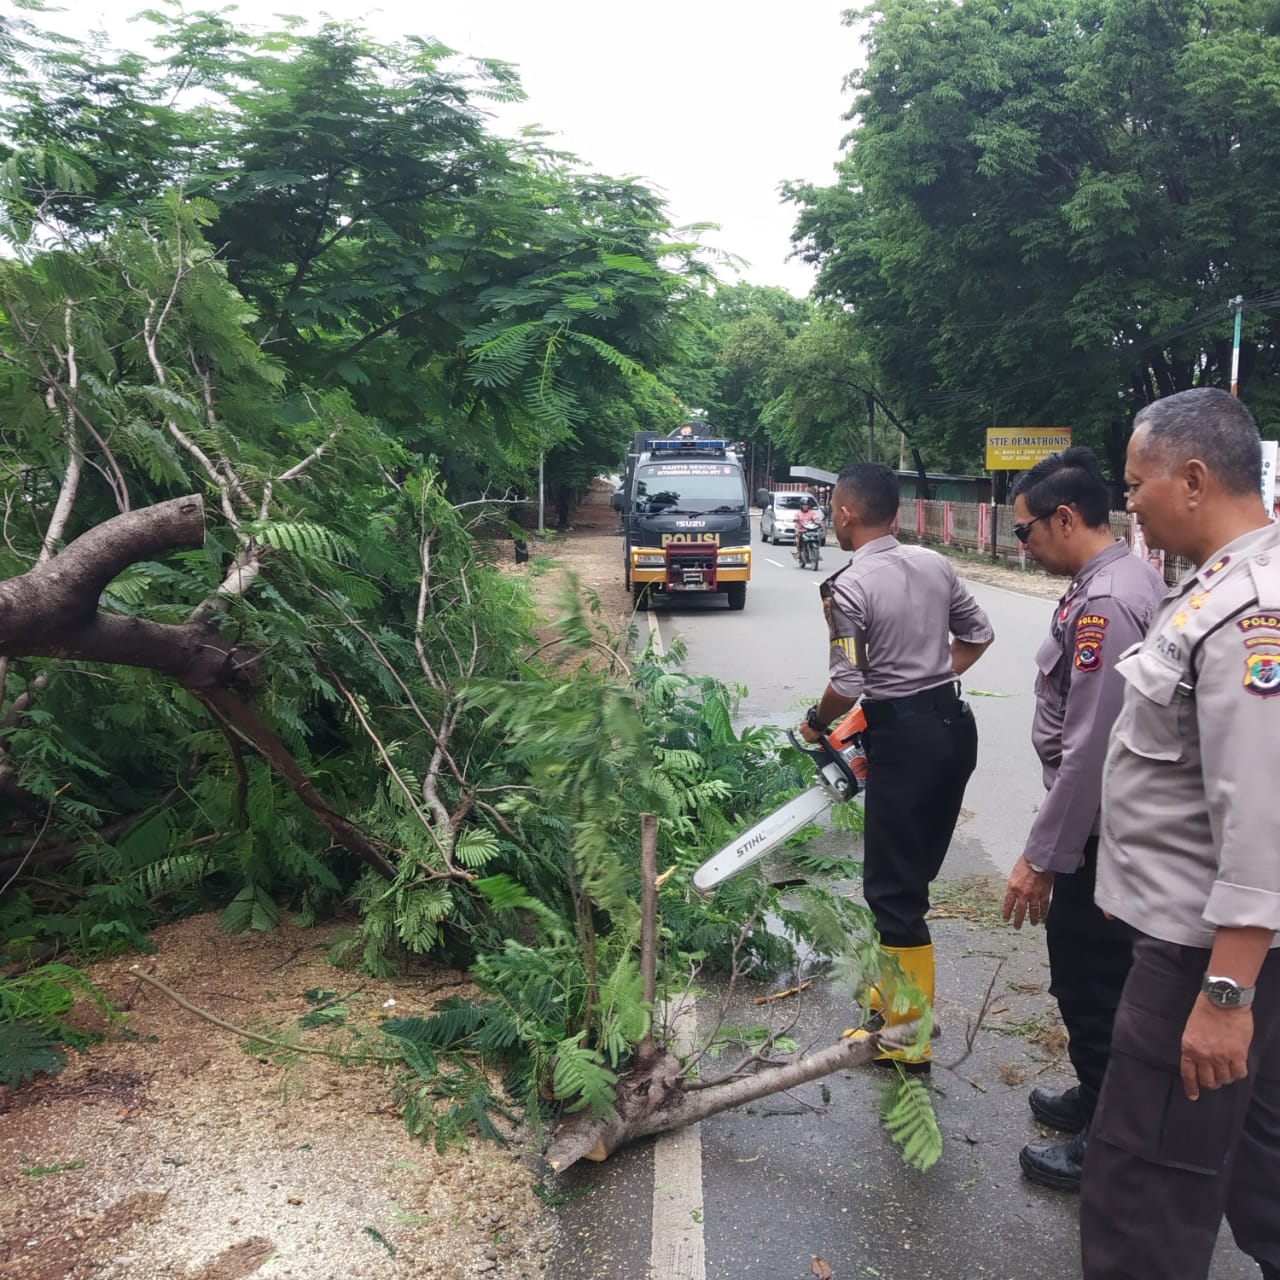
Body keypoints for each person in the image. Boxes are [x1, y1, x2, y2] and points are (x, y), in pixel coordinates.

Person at [1080, 388, 1280, 1280]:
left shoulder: (1251, 612)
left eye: (1136, 483)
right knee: (1260, 1161)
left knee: (1143, 1186)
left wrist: (1225, 995)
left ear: (1193, 479)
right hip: (1224, 947)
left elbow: (1263, 812)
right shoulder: (1213, 587)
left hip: (1204, 953)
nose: (1130, 503)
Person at [999, 447, 1166, 1191]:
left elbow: (1092, 747)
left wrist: (1043, 857)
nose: (1022, 547)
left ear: (1065, 518)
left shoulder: (1106, 603)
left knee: (1091, 983)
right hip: (1103, 827)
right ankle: (1099, 1098)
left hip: (1105, 838)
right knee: (1093, 980)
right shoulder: (1108, 583)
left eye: (1026, 532)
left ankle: (1112, 1141)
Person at [799, 462, 994, 1064]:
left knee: (891, 890)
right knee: (908, 884)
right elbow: (979, 635)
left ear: (846, 513)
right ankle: (894, 1000)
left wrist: (816, 720)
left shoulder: (846, 588)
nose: (832, 517)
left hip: (906, 745)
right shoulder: (935, 563)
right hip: (954, 729)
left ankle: (906, 1037)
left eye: (833, 508)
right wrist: (926, 684)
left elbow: (847, 681)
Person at [794, 495, 824, 561]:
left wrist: (819, 523)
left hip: (811, 530)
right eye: (804, 505)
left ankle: (817, 554)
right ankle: (799, 554)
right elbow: (796, 520)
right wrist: (797, 522)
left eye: (807, 505)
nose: (805, 506)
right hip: (801, 531)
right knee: (797, 541)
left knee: (818, 538)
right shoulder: (798, 513)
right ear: (801, 505)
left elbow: (815, 519)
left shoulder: (812, 512)